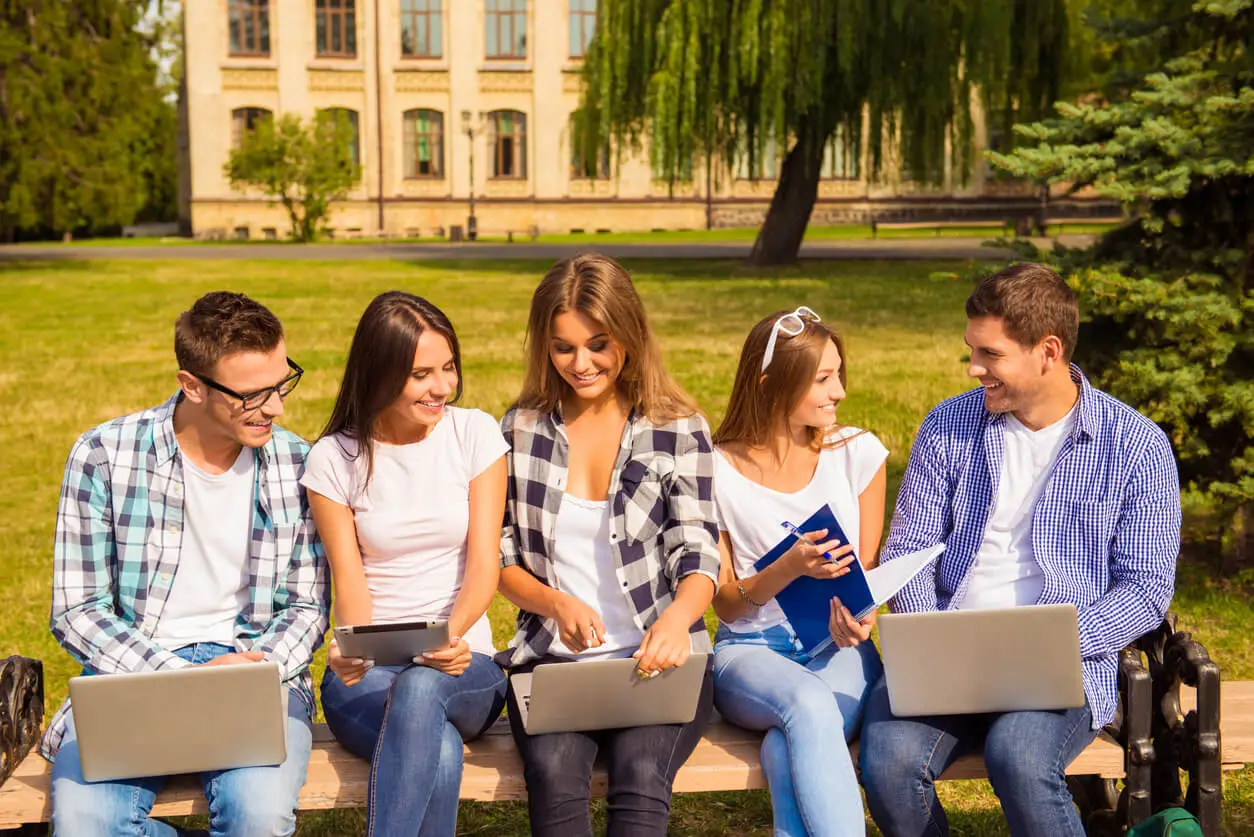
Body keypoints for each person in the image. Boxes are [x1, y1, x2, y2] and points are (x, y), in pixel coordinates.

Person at [859, 262, 1181, 837]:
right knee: (888, 764)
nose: (973, 368)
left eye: (991, 354)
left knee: (1020, 758)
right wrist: (933, 638)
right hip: (948, 650)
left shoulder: (1135, 445)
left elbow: (1146, 588)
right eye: (971, 350)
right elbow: (910, 549)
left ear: (1048, 351)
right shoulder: (947, 426)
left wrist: (1053, 644)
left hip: (1061, 663)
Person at [44, 291, 330, 837]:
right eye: (253, 395)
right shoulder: (103, 455)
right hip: (135, 672)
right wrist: (177, 680)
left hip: (259, 674)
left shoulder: (300, 464)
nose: (276, 408)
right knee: (85, 824)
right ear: (192, 385)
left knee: (258, 816)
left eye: (281, 383)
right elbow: (78, 609)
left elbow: (307, 607)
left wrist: (254, 671)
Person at [496, 253, 721, 837]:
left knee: (642, 774)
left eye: (598, 344)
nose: (581, 364)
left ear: (629, 334)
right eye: (563, 347)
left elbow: (699, 552)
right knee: (553, 774)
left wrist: (676, 621)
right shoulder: (519, 429)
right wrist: (555, 604)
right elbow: (501, 560)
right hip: (553, 664)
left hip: (658, 663)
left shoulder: (678, 427)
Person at [304, 292, 508, 837]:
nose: (441, 387)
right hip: (370, 676)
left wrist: (451, 637)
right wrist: (352, 648)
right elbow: (350, 581)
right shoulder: (334, 459)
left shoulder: (475, 434)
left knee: (422, 688)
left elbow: (484, 566)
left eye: (448, 368)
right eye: (421, 374)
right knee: (438, 749)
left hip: (466, 662)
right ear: (380, 372)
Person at [709, 306, 886, 837]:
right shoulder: (715, 469)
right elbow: (725, 604)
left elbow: (867, 574)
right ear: (771, 384)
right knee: (806, 702)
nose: (839, 392)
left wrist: (862, 620)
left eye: (839, 375)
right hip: (750, 652)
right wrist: (788, 567)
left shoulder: (857, 454)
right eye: (823, 379)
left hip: (840, 648)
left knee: (785, 742)